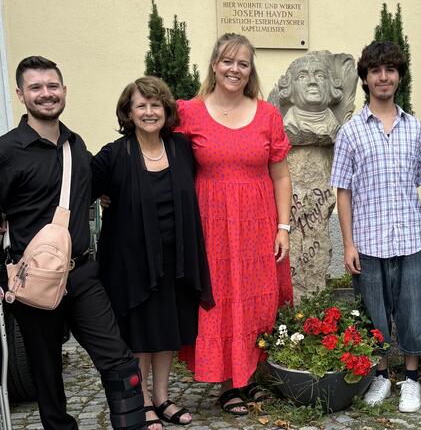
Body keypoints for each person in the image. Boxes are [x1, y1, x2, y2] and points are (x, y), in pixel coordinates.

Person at [0, 56, 145, 430]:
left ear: (64, 91)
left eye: (52, 86)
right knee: (47, 376)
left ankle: (132, 424)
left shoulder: (75, 147)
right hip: (34, 282)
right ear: (20, 94)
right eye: (36, 87)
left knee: (120, 361)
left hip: (81, 275)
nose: (46, 94)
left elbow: (91, 188)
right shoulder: (6, 152)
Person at [175, 33, 293, 415]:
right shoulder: (187, 112)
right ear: (213, 64)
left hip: (258, 223)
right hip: (210, 225)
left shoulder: (267, 114)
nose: (234, 69)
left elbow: (281, 175)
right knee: (221, 300)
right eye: (228, 61)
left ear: (250, 70)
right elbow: (162, 161)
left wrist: (284, 227)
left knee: (259, 300)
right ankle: (228, 384)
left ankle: (251, 377)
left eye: (243, 63)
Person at [92, 77, 214, 428]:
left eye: (155, 105)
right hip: (131, 262)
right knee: (140, 335)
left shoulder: (180, 148)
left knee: (167, 331)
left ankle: (161, 397)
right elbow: (80, 191)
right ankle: (142, 401)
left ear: (166, 110)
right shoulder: (114, 155)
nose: (149, 112)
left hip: (175, 258)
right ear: (129, 113)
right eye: (141, 105)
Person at [330, 40, 421, 413]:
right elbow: (342, 191)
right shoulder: (350, 132)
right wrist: (348, 244)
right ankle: (381, 374)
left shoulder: (415, 128)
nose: (383, 77)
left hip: (410, 239)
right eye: (376, 70)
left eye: (390, 70)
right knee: (373, 313)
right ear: (365, 77)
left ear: (399, 77)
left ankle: (411, 379)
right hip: (367, 241)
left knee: (413, 311)